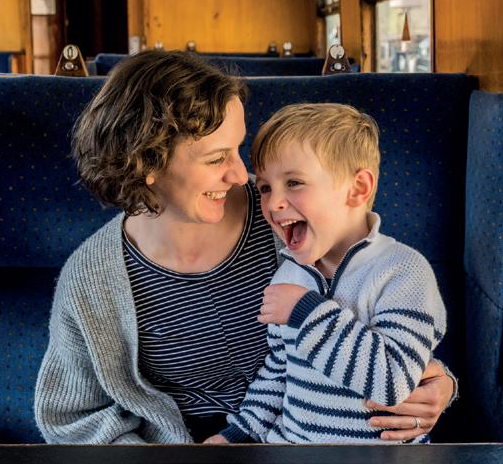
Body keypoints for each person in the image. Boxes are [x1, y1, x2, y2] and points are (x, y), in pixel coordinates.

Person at [34, 50, 456, 444]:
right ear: (148, 162)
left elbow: (381, 320)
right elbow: (71, 417)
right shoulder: (92, 278)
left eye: (238, 149)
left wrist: (439, 383)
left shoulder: (289, 218)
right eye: (217, 158)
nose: (241, 176)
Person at [203, 103, 446, 444]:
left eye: (294, 183)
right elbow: (279, 372)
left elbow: (393, 381)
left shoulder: (403, 272)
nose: (273, 204)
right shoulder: (289, 275)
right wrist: (237, 434)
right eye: (266, 188)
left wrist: (307, 312)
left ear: (357, 189)